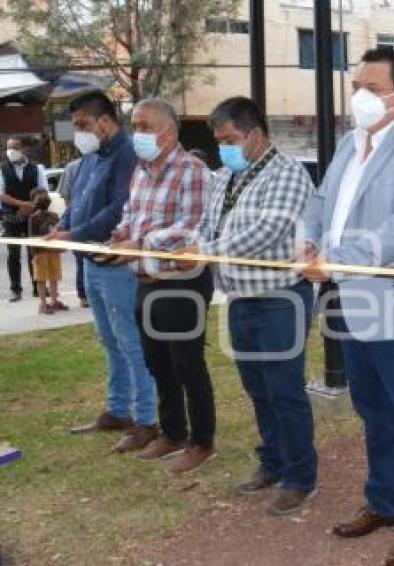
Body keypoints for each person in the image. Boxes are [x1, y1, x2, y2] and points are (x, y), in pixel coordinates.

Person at [302, 47, 394, 566]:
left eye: (371, 87)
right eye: (356, 85)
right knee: (372, 410)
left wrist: (336, 258)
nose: (359, 95)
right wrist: (307, 240)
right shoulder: (349, 143)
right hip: (348, 300)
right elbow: (321, 202)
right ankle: (385, 501)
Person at [181, 96, 317, 514]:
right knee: (257, 387)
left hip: (280, 298)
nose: (223, 147)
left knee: (284, 389)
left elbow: (265, 231)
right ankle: (272, 461)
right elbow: (207, 224)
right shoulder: (225, 177)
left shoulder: (288, 174)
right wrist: (197, 244)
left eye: (230, 139)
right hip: (241, 298)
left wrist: (205, 251)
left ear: (255, 134)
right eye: (218, 140)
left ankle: (299, 475)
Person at [110, 98, 216, 474]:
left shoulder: (193, 171)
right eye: (133, 125)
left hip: (182, 280)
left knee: (188, 363)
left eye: (143, 126)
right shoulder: (141, 170)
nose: (136, 133)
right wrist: (118, 237)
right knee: (158, 362)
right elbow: (130, 214)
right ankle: (172, 433)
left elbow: (194, 229)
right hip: (146, 280)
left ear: (168, 132)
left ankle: (202, 442)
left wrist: (141, 244)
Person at [51, 91, 158, 449]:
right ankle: (118, 410)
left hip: (117, 265)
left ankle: (147, 420)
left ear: (105, 121)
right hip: (91, 263)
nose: (77, 132)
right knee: (109, 340)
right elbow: (76, 203)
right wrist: (61, 227)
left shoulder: (128, 155)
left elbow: (118, 209)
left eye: (82, 124)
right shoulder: (90, 159)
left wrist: (72, 234)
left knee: (131, 342)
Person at [1, 135, 47, 302]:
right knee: (13, 254)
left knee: (34, 252)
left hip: (32, 216)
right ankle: (15, 289)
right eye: (9, 147)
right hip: (10, 216)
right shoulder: (2, 169)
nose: (11, 151)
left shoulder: (37, 168)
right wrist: (22, 204)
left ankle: (38, 287)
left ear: (24, 149)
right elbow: (1, 194)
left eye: (15, 147)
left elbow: (42, 191)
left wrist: (32, 207)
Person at [28, 188, 66, 315]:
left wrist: (61, 247)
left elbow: (59, 231)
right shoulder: (33, 218)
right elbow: (32, 237)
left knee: (54, 277)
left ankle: (54, 301)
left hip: (53, 251)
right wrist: (34, 254)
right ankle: (43, 304)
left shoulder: (54, 216)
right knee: (42, 279)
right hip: (41, 252)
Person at [57, 157, 88, 307]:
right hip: (77, 222)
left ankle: (87, 294)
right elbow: (66, 196)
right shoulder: (73, 167)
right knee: (81, 261)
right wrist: (68, 220)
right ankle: (83, 295)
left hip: (91, 224)